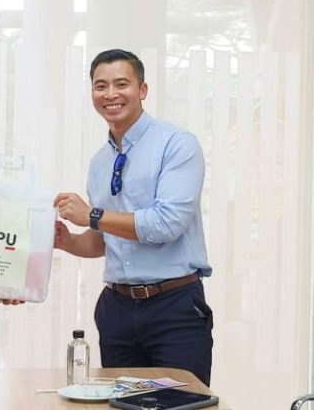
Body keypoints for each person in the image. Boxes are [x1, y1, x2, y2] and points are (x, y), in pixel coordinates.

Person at [53, 49, 214, 385]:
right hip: (117, 310)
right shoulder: (99, 162)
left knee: (181, 403)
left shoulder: (177, 144)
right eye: (101, 86)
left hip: (174, 307)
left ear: (142, 90)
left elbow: (167, 224)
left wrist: (92, 214)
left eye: (121, 84)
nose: (110, 94)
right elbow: (104, 240)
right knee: (121, 403)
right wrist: (68, 242)